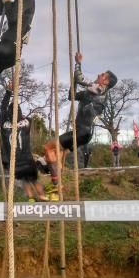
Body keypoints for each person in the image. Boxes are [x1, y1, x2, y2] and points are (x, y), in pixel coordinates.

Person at [43, 52, 117, 191]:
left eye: (103, 75)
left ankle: (56, 184)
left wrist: (78, 63)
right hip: (83, 133)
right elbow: (71, 96)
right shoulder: (90, 92)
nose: (100, 74)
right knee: (56, 153)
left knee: (48, 148)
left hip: (82, 132)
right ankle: (58, 184)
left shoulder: (100, 90)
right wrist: (74, 82)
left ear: (106, 82)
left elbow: (80, 77)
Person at [0, 83, 47, 202]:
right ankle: (42, 196)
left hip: (14, 161)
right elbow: (27, 118)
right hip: (27, 159)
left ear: (8, 114)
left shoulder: (4, 124)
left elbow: (2, 108)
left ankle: (31, 199)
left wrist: (8, 92)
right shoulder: (27, 122)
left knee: (25, 180)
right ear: (20, 113)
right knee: (33, 180)